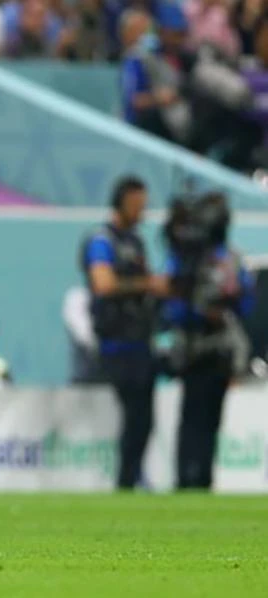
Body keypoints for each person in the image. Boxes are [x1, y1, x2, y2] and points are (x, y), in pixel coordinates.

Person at [162, 193, 255, 490]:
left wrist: (227, 306)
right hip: (193, 347)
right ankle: (186, 477)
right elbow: (173, 303)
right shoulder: (188, 259)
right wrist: (200, 312)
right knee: (192, 416)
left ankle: (201, 478)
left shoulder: (229, 259)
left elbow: (246, 303)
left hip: (220, 349)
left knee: (209, 418)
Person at [80, 176, 165, 490]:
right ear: (121, 202)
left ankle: (134, 476)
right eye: (136, 205)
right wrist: (147, 284)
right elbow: (102, 283)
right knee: (132, 415)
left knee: (144, 417)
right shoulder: (102, 240)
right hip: (116, 341)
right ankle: (125, 480)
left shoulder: (136, 241)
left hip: (141, 340)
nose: (142, 211)